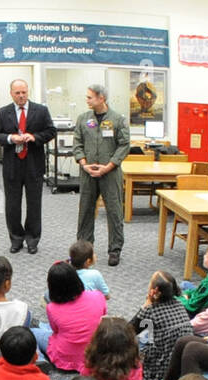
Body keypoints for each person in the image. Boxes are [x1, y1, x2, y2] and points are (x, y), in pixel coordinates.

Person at [0, 78, 56, 254]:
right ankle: (16, 238)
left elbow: (51, 131)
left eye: (24, 92)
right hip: (12, 164)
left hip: (33, 163)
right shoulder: (3, 112)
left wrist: (34, 137)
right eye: (17, 93)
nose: (21, 96)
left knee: (34, 204)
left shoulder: (41, 111)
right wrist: (11, 138)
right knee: (12, 205)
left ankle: (32, 239)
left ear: (28, 92)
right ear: (11, 93)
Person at [73, 84, 130, 265]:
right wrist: (83, 164)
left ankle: (115, 250)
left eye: (90, 97)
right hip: (88, 173)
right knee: (85, 212)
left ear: (101, 98)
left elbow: (124, 145)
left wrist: (109, 166)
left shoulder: (118, 120)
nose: (87, 100)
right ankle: (84, 250)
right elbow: (77, 144)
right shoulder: (83, 119)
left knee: (114, 212)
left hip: (110, 173)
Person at [39, 260, 108, 372]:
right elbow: (102, 319)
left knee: (33, 332)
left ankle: (40, 359)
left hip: (66, 355)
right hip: (95, 352)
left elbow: (56, 331)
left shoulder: (52, 308)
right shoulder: (97, 295)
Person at [131, 270, 191, 380]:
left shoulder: (150, 310)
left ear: (155, 290)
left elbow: (128, 331)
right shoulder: (179, 304)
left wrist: (145, 304)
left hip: (159, 371)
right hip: (181, 368)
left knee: (134, 341)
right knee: (149, 331)